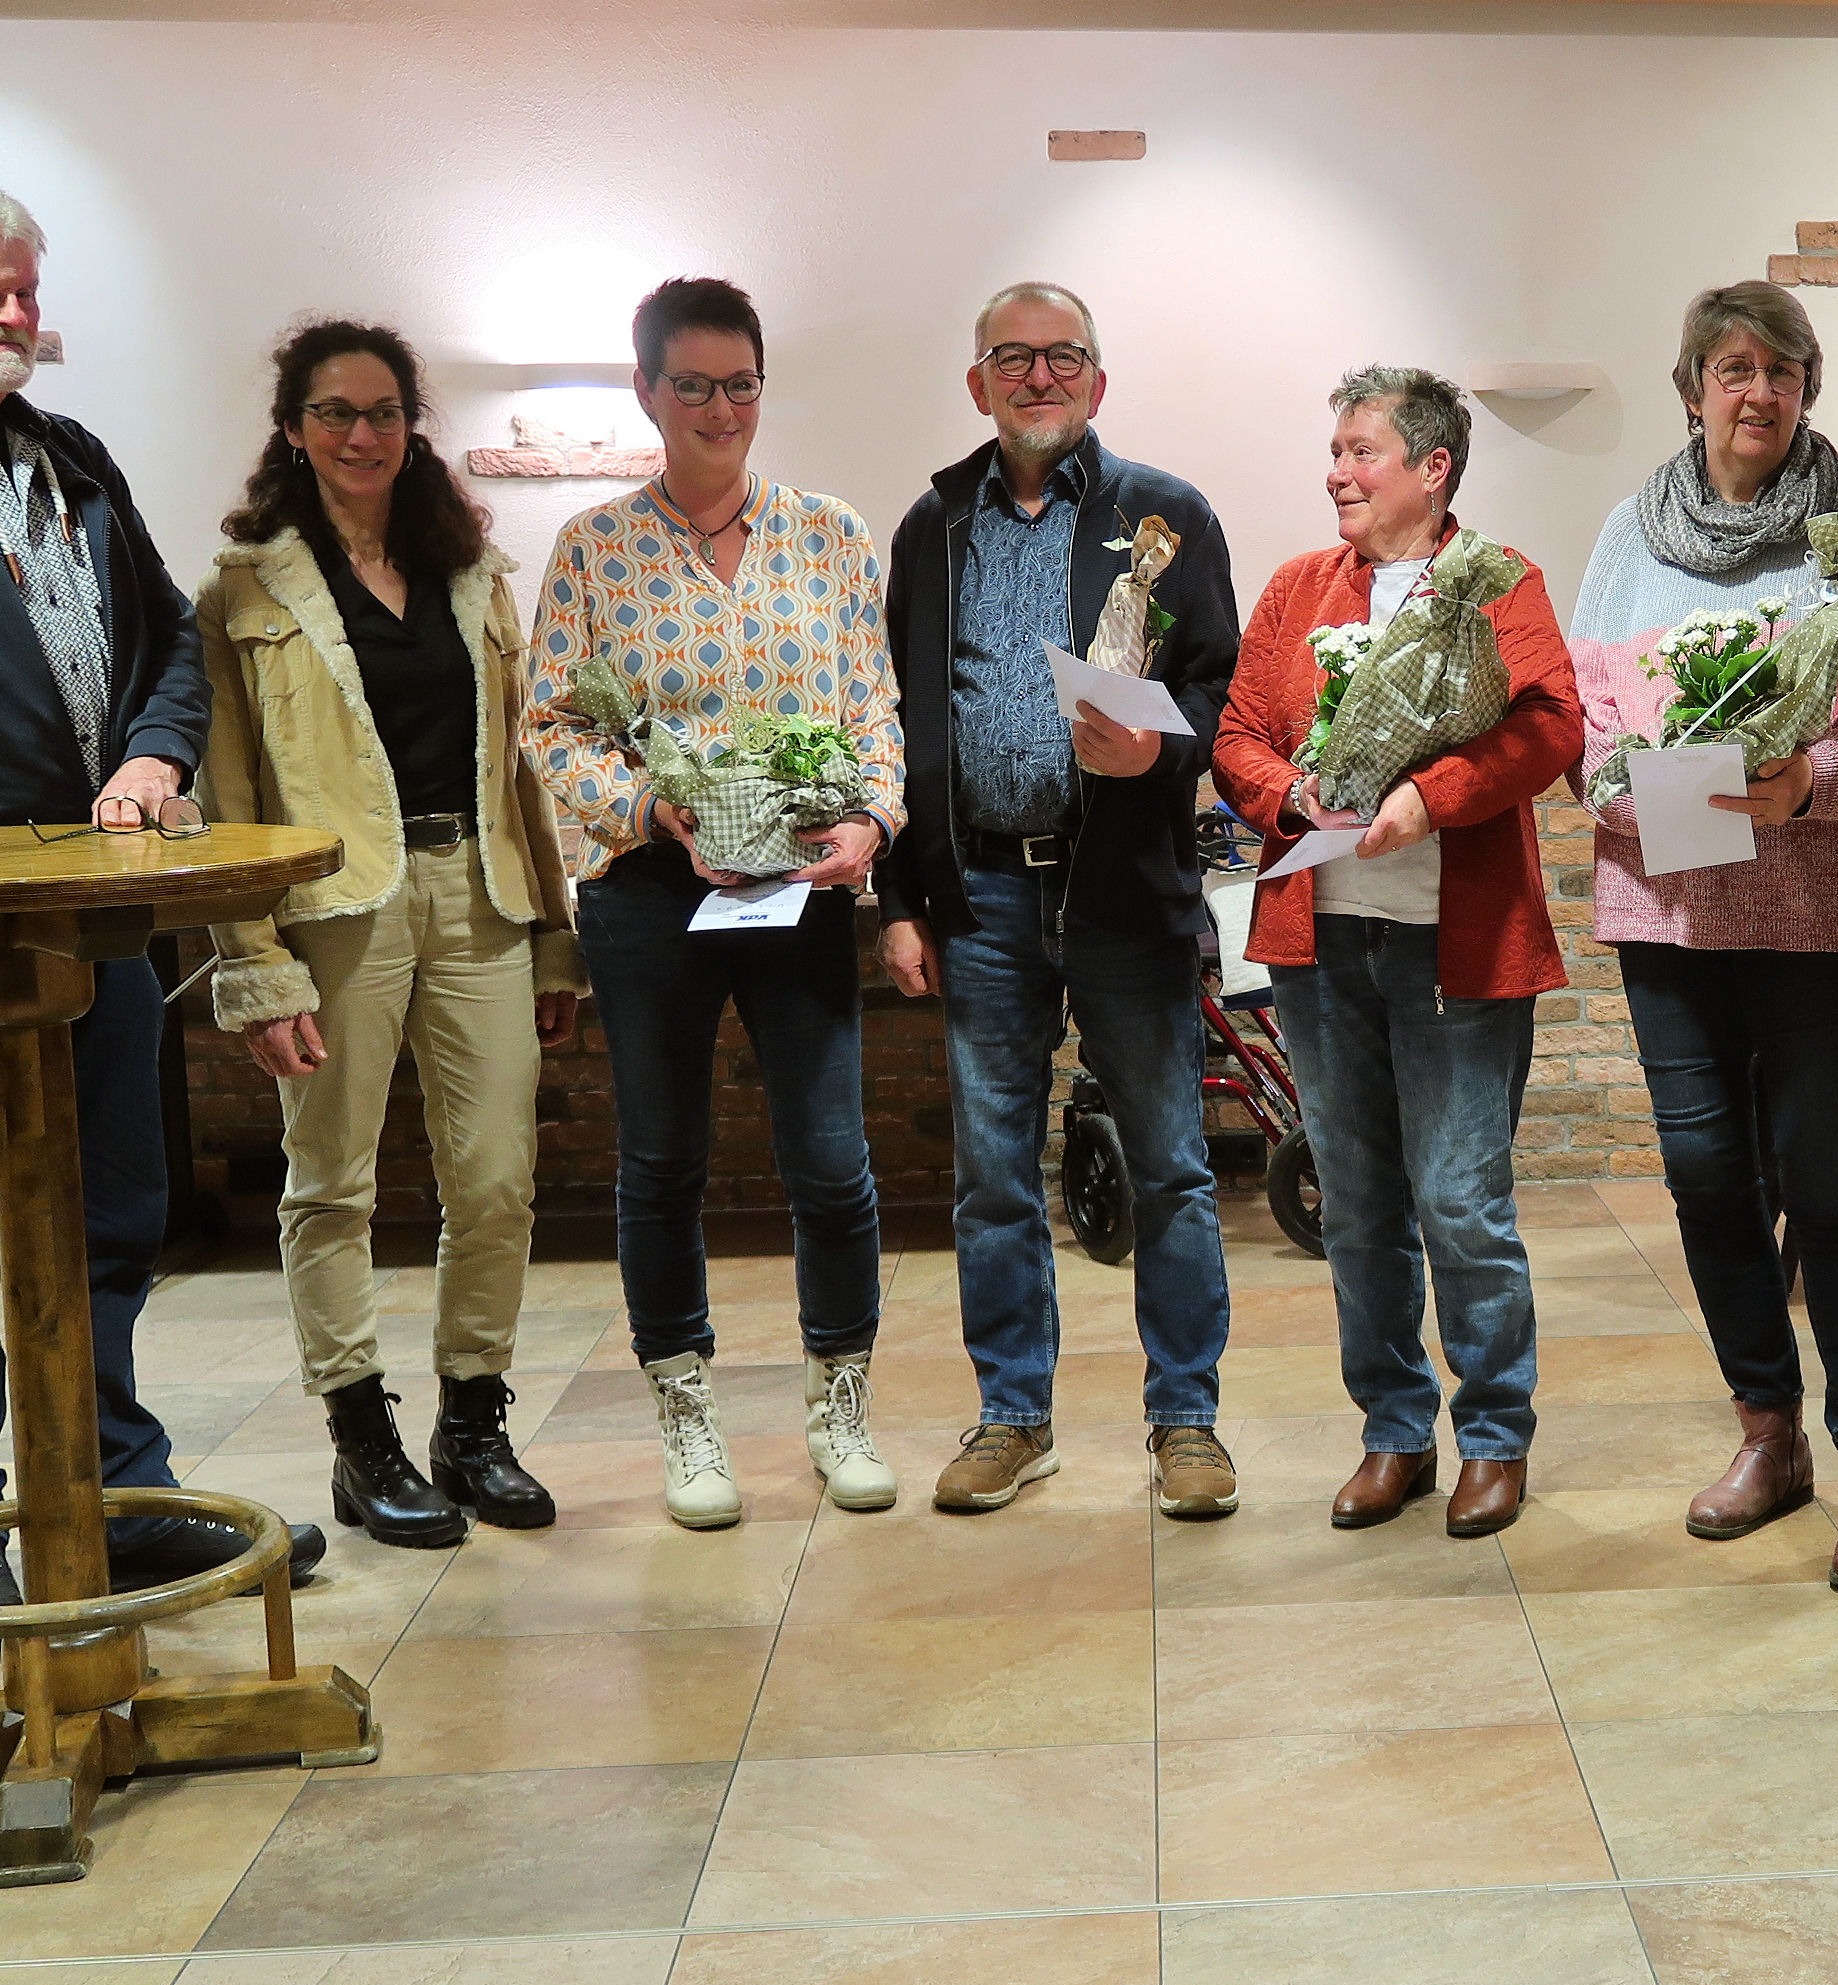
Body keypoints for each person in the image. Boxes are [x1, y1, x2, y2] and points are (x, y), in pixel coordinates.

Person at [522, 277, 907, 1532]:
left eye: (740, 382)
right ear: (646, 390)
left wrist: (871, 824)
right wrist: (650, 811)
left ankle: (839, 1401)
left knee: (832, 1161)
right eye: (693, 383)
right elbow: (555, 729)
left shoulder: (831, 535)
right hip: (648, 896)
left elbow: (874, 713)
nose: (720, 406)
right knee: (661, 1161)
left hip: (799, 893)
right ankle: (686, 1411)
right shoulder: (594, 548)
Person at [198, 320, 583, 1548]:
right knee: (332, 1185)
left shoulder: (473, 570)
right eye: (333, 413)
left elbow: (521, 771)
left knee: (495, 1177)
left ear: (413, 423)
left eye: (382, 412)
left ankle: (473, 1422)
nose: (361, 435)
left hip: (481, 897)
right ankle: (363, 1439)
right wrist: (254, 964)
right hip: (334, 908)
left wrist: (556, 936)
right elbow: (230, 790)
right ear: (294, 429)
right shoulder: (247, 587)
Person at [1568, 281, 1838, 1590]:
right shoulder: (1628, 533)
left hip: (1812, 911)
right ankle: (1767, 1435)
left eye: (1781, 371)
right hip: (1668, 909)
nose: (1757, 392)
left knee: (1828, 1187)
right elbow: (1590, 715)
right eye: (1732, 369)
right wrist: (1611, 790)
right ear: (1694, 388)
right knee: (1709, 1182)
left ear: (1806, 390)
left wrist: (1808, 781)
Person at [0, 189, 326, 1602]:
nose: (18, 316)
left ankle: (112, 1494)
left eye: (23, 288)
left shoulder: (69, 459)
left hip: (96, 922)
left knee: (114, 1211)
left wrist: (149, 752)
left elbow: (173, 647)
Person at [878, 283, 1245, 1519]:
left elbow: (1220, 699)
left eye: (1064, 356)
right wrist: (900, 894)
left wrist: (1162, 755)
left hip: (1125, 894)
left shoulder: (1167, 514)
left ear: (1099, 379)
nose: (1040, 377)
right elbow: (901, 715)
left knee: (1174, 1168)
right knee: (992, 1173)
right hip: (977, 892)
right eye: (1013, 359)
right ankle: (1013, 1415)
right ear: (977, 382)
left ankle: (1186, 1421)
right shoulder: (932, 526)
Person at [1212, 365, 1581, 1539]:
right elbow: (1235, 733)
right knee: (1359, 1200)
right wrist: (1286, 794)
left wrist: (1432, 795)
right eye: (1335, 450)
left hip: (1453, 950)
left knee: (1462, 1200)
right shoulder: (1295, 590)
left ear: (1434, 468)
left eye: (1362, 451)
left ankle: (1495, 1435)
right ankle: (1391, 1430)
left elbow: (1552, 723)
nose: (1338, 471)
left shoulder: (1497, 583)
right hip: (1321, 947)